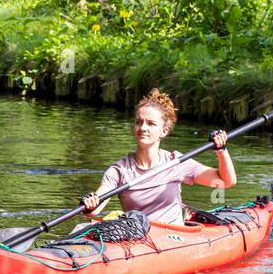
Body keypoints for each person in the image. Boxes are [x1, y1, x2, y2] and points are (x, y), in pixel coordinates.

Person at [82, 89, 236, 227]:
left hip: (175, 238)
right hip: (138, 236)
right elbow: (95, 210)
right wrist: (91, 202)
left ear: (164, 131)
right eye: (138, 122)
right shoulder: (119, 170)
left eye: (150, 124)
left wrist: (221, 150)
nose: (142, 128)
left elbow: (225, 181)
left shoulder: (176, 162)